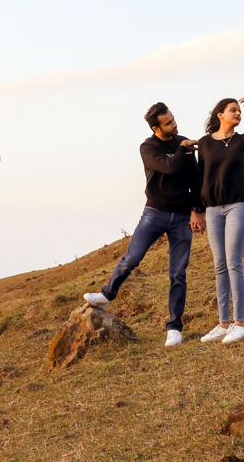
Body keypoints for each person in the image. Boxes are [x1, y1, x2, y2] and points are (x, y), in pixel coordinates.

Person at [83, 102, 205, 347]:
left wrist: (196, 210)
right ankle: (107, 295)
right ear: (155, 127)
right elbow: (170, 167)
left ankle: (174, 328)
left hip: (182, 217)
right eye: (168, 122)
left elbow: (196, 180)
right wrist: (183, 148)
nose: (174, 123)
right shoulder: (148, 147)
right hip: (155, 213)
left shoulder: (185, 144)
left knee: (178, 273)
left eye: (173, 118)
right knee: (132, 258)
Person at [196, 97, 244, 345]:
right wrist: (195, 210)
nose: (237, 113)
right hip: (212, 209)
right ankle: (223, 324)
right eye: (233, 110)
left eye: (240, 111)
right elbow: (201, 178)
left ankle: (240, 324)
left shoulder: (243, 140)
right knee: (219, 266)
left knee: (233, 262)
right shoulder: (205, 143)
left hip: (239, 205)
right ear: (220, 114)